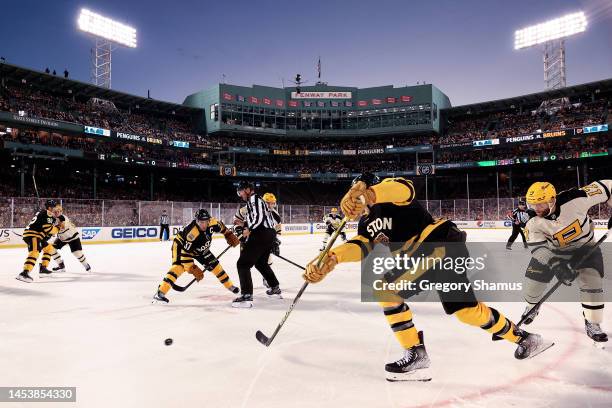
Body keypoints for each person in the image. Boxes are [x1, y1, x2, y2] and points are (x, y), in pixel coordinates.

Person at [304, 173, 552, 381]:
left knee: (385, 290)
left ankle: (415, 352)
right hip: (439, 252)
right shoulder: (366, 222)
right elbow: (360, 246)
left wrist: (369, 193)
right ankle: (526, 339)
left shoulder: (388, 197)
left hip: (438, 242)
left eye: (357, 194)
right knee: (466, 311)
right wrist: (332, 258)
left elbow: (404, 189)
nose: (354, 202)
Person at [521, 180, 612, 344]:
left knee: (591, 282)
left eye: (540, 204)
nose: (536, 209)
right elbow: (539, 249)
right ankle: (531, 306)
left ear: (552, 199)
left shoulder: (576, 198)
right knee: (532, 285)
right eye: (532, 204)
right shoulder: (532, 222)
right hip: (553, 251)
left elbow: (609, 186)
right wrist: (556, 265)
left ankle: (592, 322)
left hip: (585, 247)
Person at [153, 209, 240, 303]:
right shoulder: (192, 234)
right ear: (196, 221)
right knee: (178, 267)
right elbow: (185, 254)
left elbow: (222, 227)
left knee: (215, 266)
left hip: (201, 248)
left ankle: (230, 286)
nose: (203, 224)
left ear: (209, 220)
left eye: (205, 222)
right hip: (181, 246)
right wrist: (192, 268)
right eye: (200, 222)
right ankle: (160, 293)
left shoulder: (213, 223)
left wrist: (228, 234)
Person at [232, 181, 282, 308]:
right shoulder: (255, 201)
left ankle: (246, 296)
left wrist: (249, 229)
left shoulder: (254, 199)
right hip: (268, 234)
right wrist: (244, 225)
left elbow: (258, 218)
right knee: (261, 263)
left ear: (248, 190)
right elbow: (257, 218)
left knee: (242, 264)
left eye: (241, 191)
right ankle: (274, 288)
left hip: (261, 234)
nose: (240, 194)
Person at [16, 199, 60, 283]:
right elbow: (49, 229)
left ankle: (43, 268)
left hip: (36, 235)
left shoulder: (45, 214)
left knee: (49, 248)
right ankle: (24, 273)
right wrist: (58, 227)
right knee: (35, 251)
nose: (56, 209)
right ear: (50, 208)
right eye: (54, 207)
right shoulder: (47, 214)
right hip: (33, 235)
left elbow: (46, 231)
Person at [48, 205, 91, 273]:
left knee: (77, 253)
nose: (56, 213)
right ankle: (61, 265)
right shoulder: (52, 220)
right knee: (51, 250)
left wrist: (51, 230)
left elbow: (62, 226)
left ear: (61, 212)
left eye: (58, 211)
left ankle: (86, 265)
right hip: (62, 238)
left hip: (73, 237)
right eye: (54, 212)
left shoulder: (63, 217)